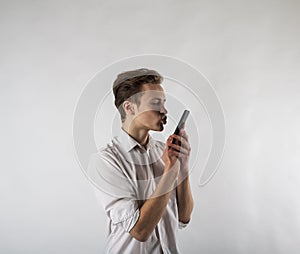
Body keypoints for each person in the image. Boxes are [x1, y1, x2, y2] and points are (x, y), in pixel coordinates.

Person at [87, 68, 194, 253]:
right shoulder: (105, 161)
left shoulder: (165, 152)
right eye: (155, 103)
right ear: (129, 107)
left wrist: (182, 168)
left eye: (164, 103)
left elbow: (183, 218)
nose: (164, 110)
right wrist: (170, 171)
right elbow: (140, 230)